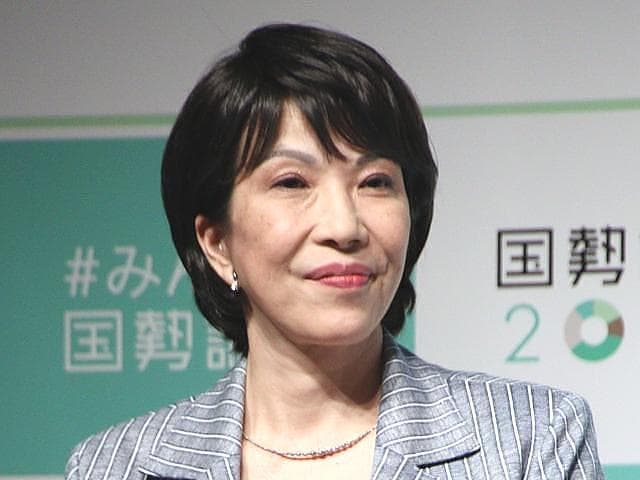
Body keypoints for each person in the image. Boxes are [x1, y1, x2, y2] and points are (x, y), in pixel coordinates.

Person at [65, 23, 603, 480]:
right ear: (217, 242)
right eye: (292, 182)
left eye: (375, 182)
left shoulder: (532, 439)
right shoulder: (115, 467)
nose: (344, 227)